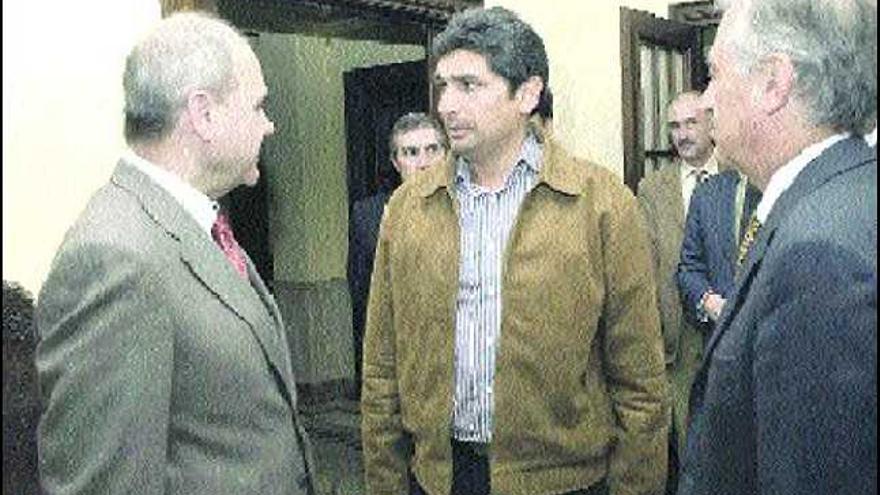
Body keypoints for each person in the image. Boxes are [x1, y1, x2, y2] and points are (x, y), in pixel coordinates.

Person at [361, 7, 667, 495]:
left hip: (565, 482)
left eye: (469, 85)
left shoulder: (601, 203)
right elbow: (382, 370)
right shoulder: (408, 208)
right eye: (442, 85)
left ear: (527, 94)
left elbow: (641, 385)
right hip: (441, 479)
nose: (447, 105)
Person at [35, 13, 315, 494]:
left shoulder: (191, 222)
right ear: (204, 115)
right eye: (258, 106)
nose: (269, 125)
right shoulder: (114, 258)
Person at [679, 1, 876, 494]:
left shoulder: (820, 257)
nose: (705, 101)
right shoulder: (843, 191)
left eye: (714, 74)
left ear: (773, 83)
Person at [636, 91, 720, 478]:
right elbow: (645, 266)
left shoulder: (739, 177)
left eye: (691, 123)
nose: (682, 134)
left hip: (725, 330)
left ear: (711, 124)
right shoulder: (653, 189)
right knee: (686, 451)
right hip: (674, 342)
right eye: (674, 126)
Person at [348, 112, 446, 396]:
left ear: (446, 154)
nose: (424, 162)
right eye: (411, 152)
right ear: (395, 162)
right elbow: (363, 302)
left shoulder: (471, 209)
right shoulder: (368, 217)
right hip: (401, 367)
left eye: (432, 150)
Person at [677, 169, 761, 326]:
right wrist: (708, 301)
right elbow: (689, 268)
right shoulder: (706, 192)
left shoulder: (792, 190)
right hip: (719, 337)